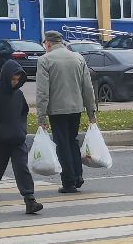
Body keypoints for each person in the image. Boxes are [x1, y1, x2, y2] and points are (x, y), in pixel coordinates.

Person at [34, 30, 98, 194]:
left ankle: (68, 182)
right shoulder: (78, 58)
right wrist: (91, 113)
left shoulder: (45, 60)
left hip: (57, 110)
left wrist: (41, 117)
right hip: (76, 108)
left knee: (62, 144)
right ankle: (78, 176)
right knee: (72, 141)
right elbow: (88, 88)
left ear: (48, 43)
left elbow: (42, 92)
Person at [0, 58, 43, 215]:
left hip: (17, 139)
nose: (15, 82)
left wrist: (22, 130)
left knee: (22, 169)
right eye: (13, 79)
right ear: (5, 77)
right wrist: (0, 131)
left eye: (18, 79)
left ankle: (30, 200)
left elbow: (24, 112)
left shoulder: (18, 94)